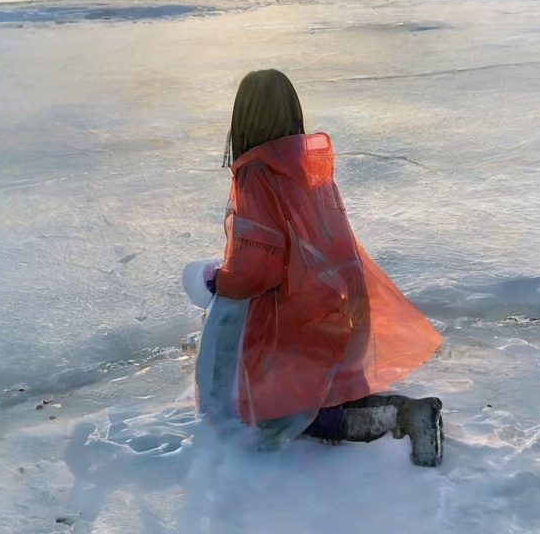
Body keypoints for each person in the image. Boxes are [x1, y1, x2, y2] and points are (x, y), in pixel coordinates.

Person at [188, 69, 444, 467]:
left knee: (270, 416)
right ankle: (371, 408)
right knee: (317, 391)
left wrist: (215, 279)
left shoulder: (258, 174)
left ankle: (399, 416)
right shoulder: (308, 167)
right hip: (342, 310)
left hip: (296, 322)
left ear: (244, 119)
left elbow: (259, 269)